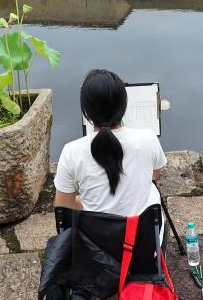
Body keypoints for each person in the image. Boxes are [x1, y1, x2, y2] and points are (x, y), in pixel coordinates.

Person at [54, 69, 167, 218]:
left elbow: (63, 205)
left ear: (86, 111)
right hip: (141, 237)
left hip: (93, 239)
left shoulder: (71, 151)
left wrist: (83, 204)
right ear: (123, 105)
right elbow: (155, 174)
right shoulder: (148, 138)